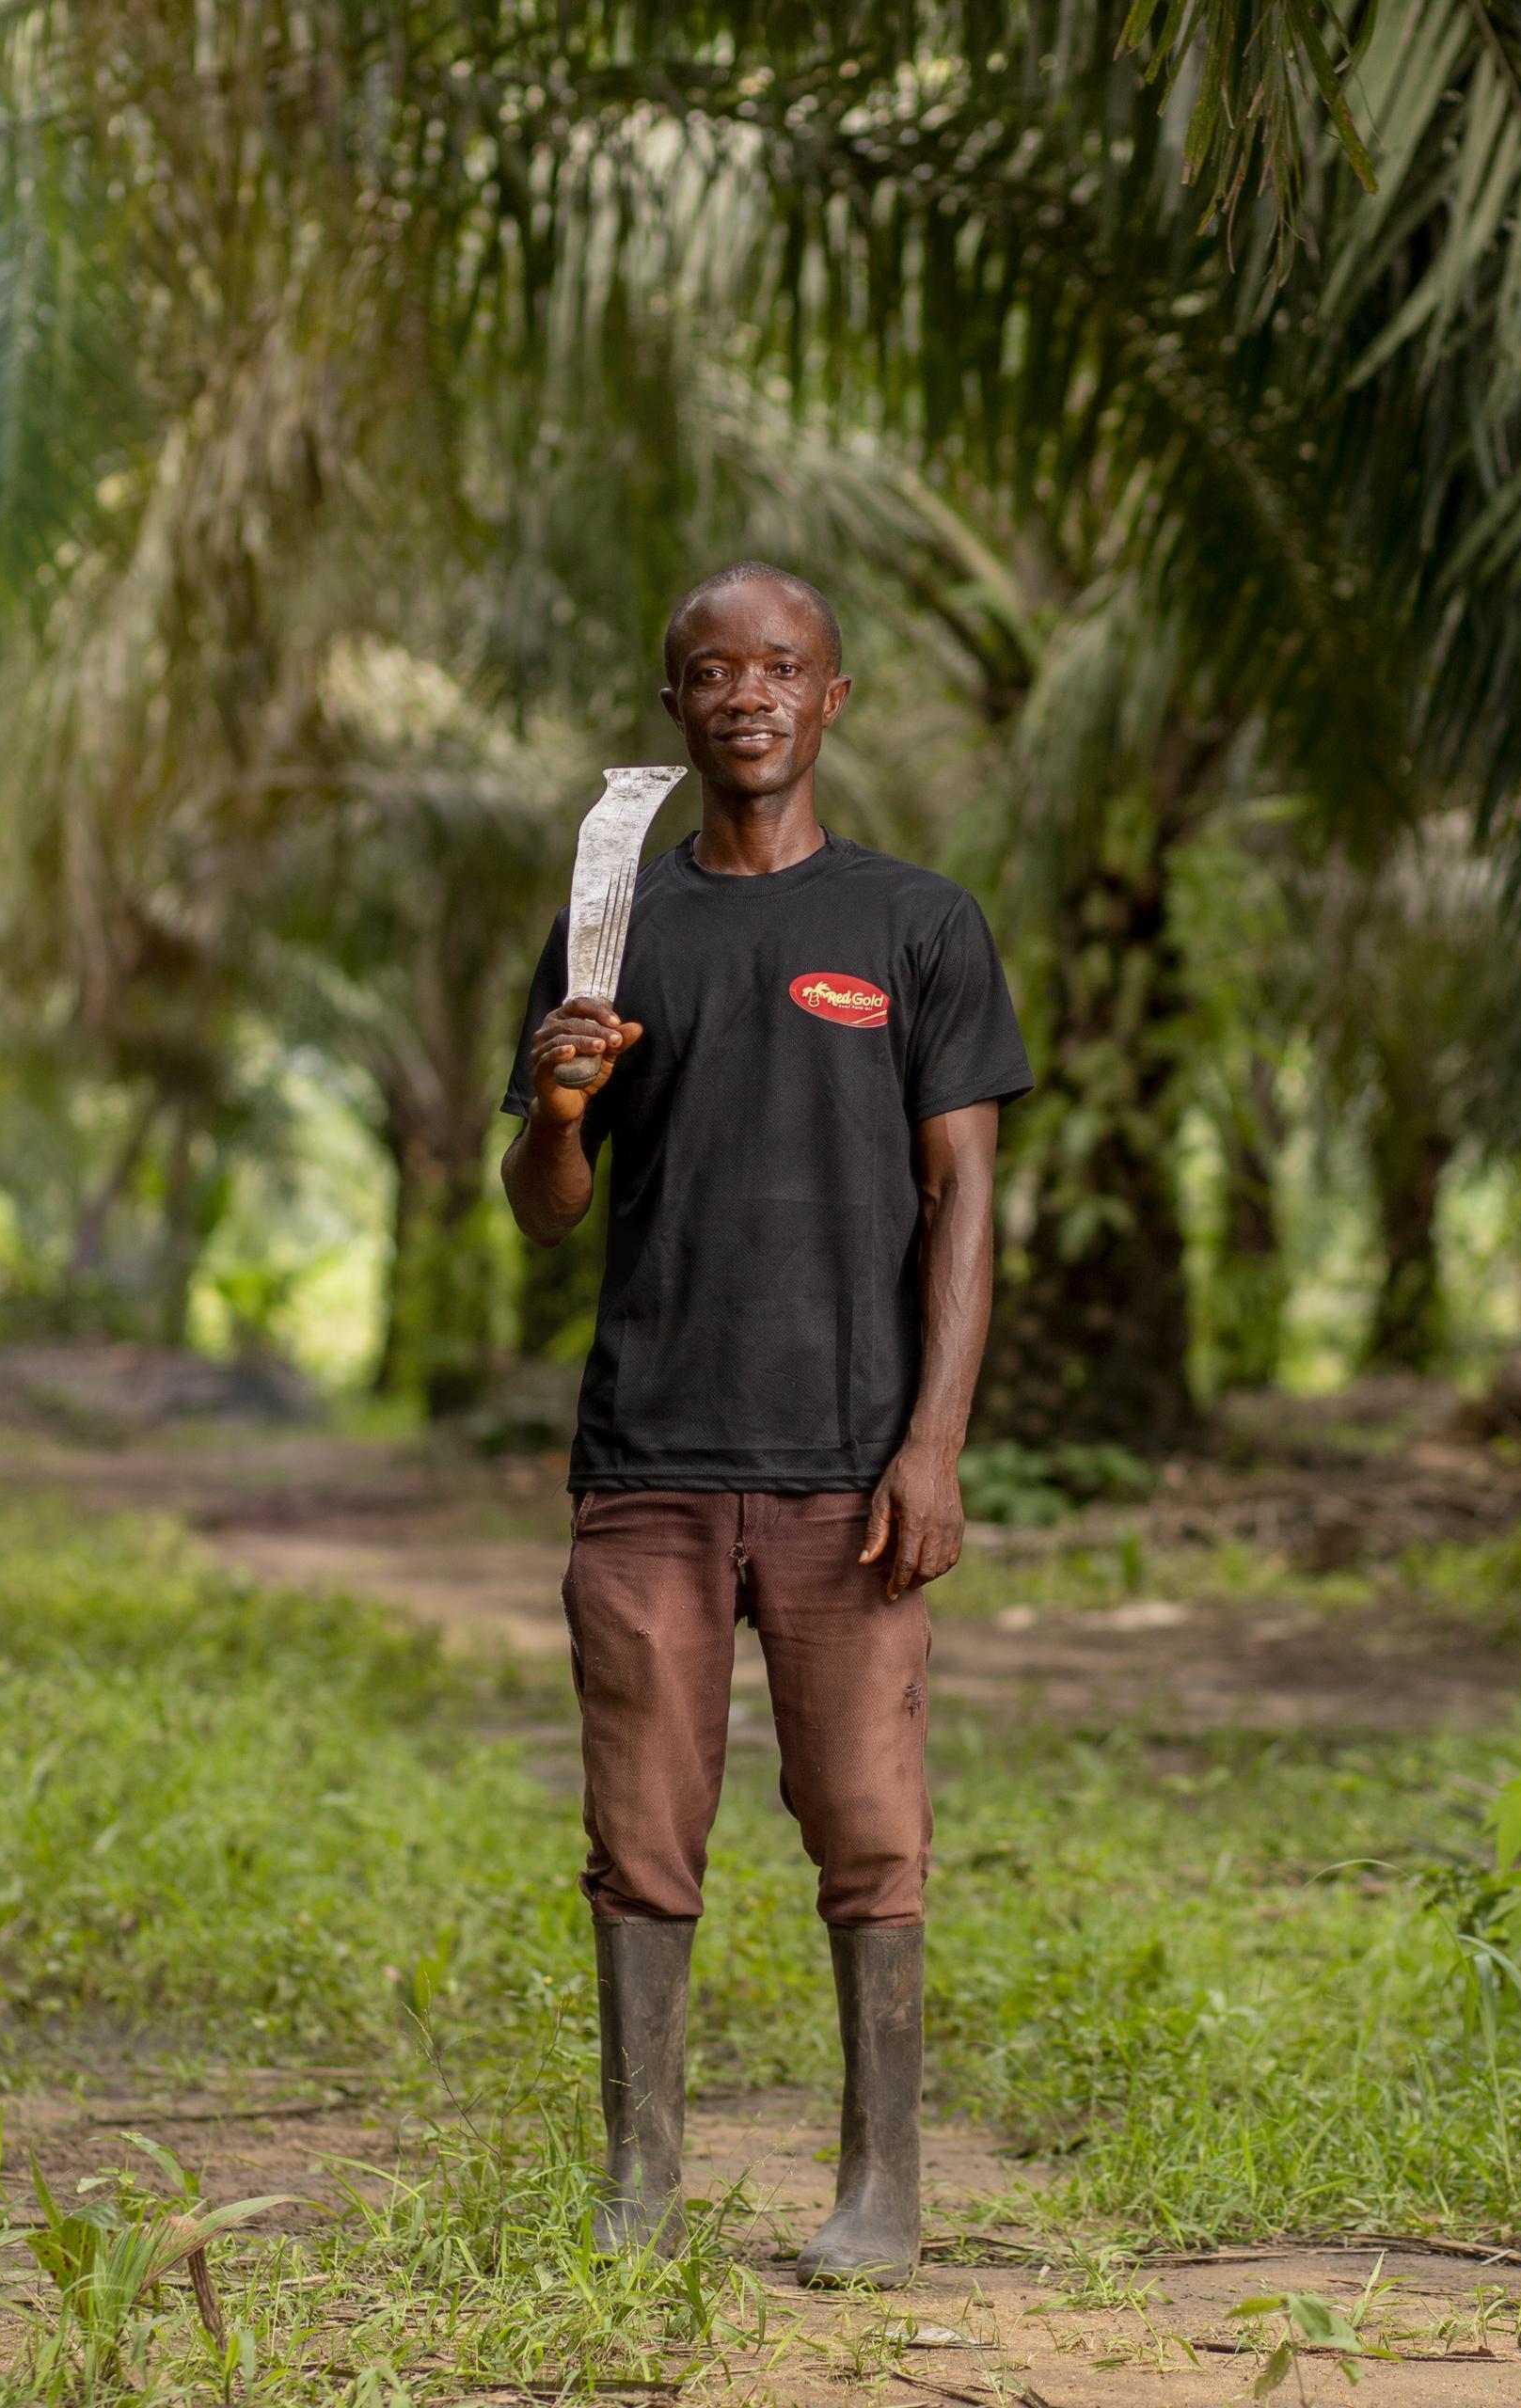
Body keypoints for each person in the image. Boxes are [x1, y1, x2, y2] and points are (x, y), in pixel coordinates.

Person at [500, 562, 1029, 2286]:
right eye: (715, 672)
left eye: (782, 668)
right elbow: (544, 1205)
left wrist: (933, 1444)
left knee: (869, 1830)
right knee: (641, 1827)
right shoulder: (613, 926)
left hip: (848, 1468)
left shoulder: (917, 925)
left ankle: (882, 2190)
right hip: (650, 1458)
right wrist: (564, 1102)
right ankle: (641, 2183)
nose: (749, 696)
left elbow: (964, 1201)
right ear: (675, 709)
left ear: (833, 700)